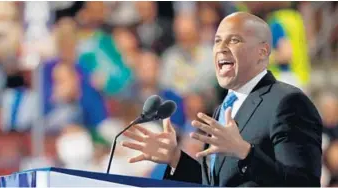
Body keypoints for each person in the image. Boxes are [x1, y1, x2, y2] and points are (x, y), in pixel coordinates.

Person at [121, 12, 322, 186]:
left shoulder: (289, 102)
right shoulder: (224, 107)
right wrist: (176, 158)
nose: (221, 48)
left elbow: (303, 184)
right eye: (217, 41)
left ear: (262, 52)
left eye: (234, 40)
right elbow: (215, 184)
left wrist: (245, 153)